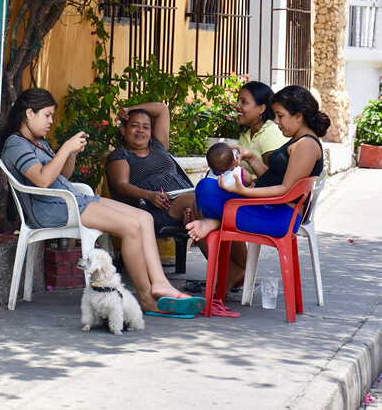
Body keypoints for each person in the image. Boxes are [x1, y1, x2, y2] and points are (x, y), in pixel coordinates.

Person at [0, 89, 205, 316]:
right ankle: (145, 297)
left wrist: (71, 153)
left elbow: (62, 175)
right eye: (47, 115)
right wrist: (64, 148)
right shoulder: (16, 144)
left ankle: (160, 283)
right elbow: (43, 180)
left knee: (144, 217)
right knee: (131, 226)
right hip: (53, 208)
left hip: (73, 201)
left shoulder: (37, 141)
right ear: (28, 114)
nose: (51, 121)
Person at [187, 85, 329, 298]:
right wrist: (251, 158)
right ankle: (223, 250)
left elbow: (284, 190)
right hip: (268, 210)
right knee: (205, 194)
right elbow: (273, 178)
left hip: (278, 218)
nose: (277, 122)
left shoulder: (306, 146)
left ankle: (220, 239)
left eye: (280, 116)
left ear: (298, 116)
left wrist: (242, 190)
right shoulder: (298, 140)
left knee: (205, 188)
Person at [106, 102, 195, 230]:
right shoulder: (122, 154)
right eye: (134, 126)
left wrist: (128, 109)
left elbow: (162, 109)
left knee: (212, 202)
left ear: (151, 132)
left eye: (146, 127)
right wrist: (149, 195)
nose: (140, 131)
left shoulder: (158, 145)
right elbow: (121, 186)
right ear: (123, 130)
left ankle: (215, 246)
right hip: (158, 207)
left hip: (182, 197)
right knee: (199, 203)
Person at [235, 80, 286, 175]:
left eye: (244, 102)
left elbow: (273, 179)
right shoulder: (246, 133)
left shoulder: (271, 133)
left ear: (261, 109)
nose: (237, 106)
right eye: (237, 101)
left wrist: (244, 187)